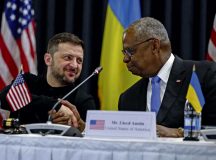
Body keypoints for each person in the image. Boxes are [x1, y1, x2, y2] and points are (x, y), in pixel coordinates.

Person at [118, 17, 216, 137]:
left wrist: (178, 133)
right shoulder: (127, 99)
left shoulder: (204, 76)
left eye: (130, 51)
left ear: (154, 46)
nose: (125, 59)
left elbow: (213, 131)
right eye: (124, 53)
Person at [0, 32, 97, 132]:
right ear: (48, 59)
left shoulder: (84, 100)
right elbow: (4, 98)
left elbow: (94, 138)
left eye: (79, 60)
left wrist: (80, 125)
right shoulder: (27, 82)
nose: (74, 65)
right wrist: (55, 105)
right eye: (68, 58)